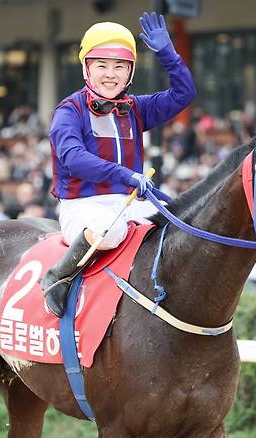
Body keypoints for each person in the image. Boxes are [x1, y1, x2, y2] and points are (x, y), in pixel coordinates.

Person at [42, 12, 196, 317]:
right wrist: (125, 175)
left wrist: (168, 53)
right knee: (108, 231)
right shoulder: (68, 112)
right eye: (102, 65)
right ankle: (57, 276)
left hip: (128, 204)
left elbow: (184, 94)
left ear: (130, 72)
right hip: (83, 207)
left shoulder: (135, 108)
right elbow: (73, 159)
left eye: (120, 66)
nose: (110, 74)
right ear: (87, 68)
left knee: (183, 225)